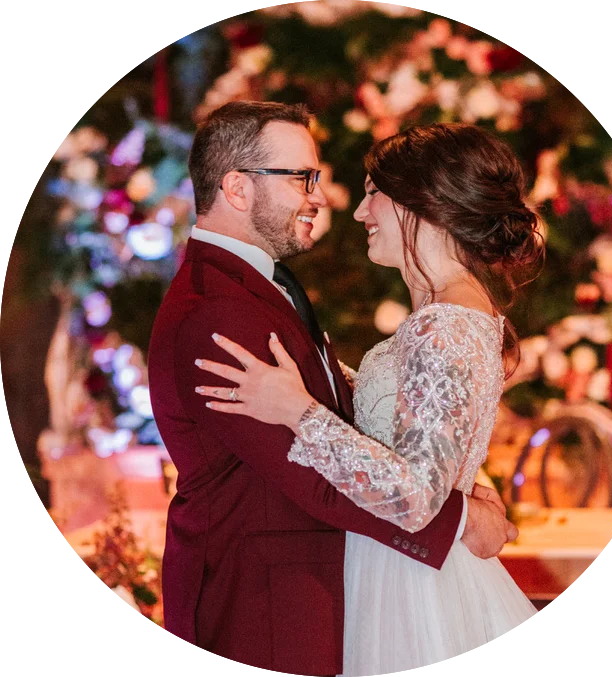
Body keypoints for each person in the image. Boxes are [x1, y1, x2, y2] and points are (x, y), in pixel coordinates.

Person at [148, 101, 516, 676]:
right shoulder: (217, 308)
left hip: (366, 578)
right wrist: (463, 516)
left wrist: (301, 407)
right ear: (238, 189)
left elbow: (357, 420)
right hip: (265, 598)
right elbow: (311, 478)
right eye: (302, 177)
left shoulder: (257, 287)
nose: (327, 199)